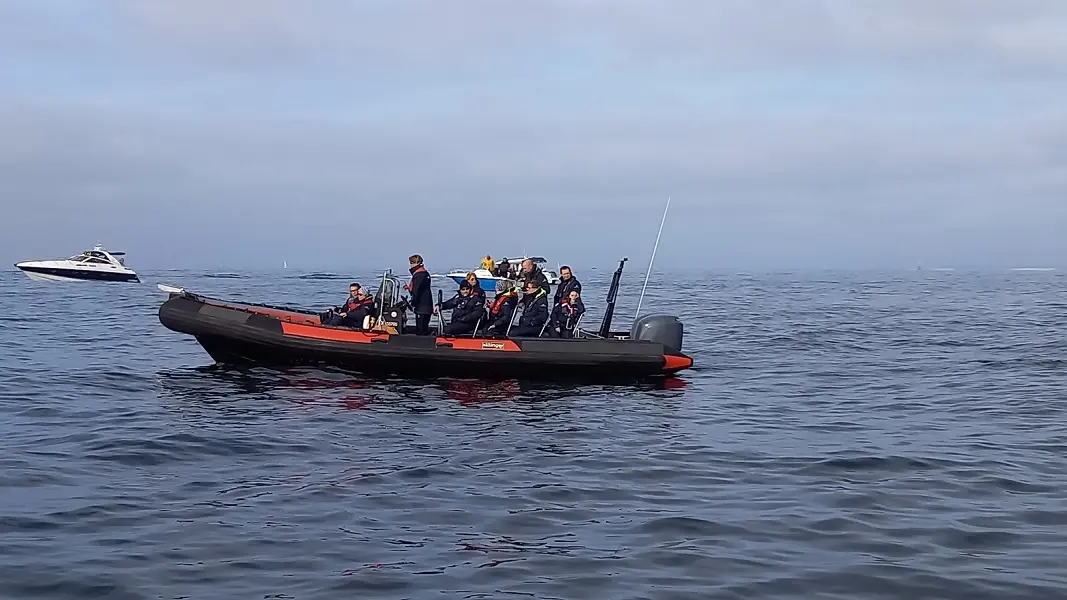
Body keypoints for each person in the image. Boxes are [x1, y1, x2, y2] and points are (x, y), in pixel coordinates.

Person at [405, 254, 433, 335]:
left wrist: (413, 303)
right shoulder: (425, 273)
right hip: (427, 305)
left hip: (422, 307)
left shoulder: (418, 275)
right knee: (424, 327)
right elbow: (421, 288)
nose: (410, 265)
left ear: (414, 263)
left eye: (411, 263)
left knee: (420, 329)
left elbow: (416, 291)